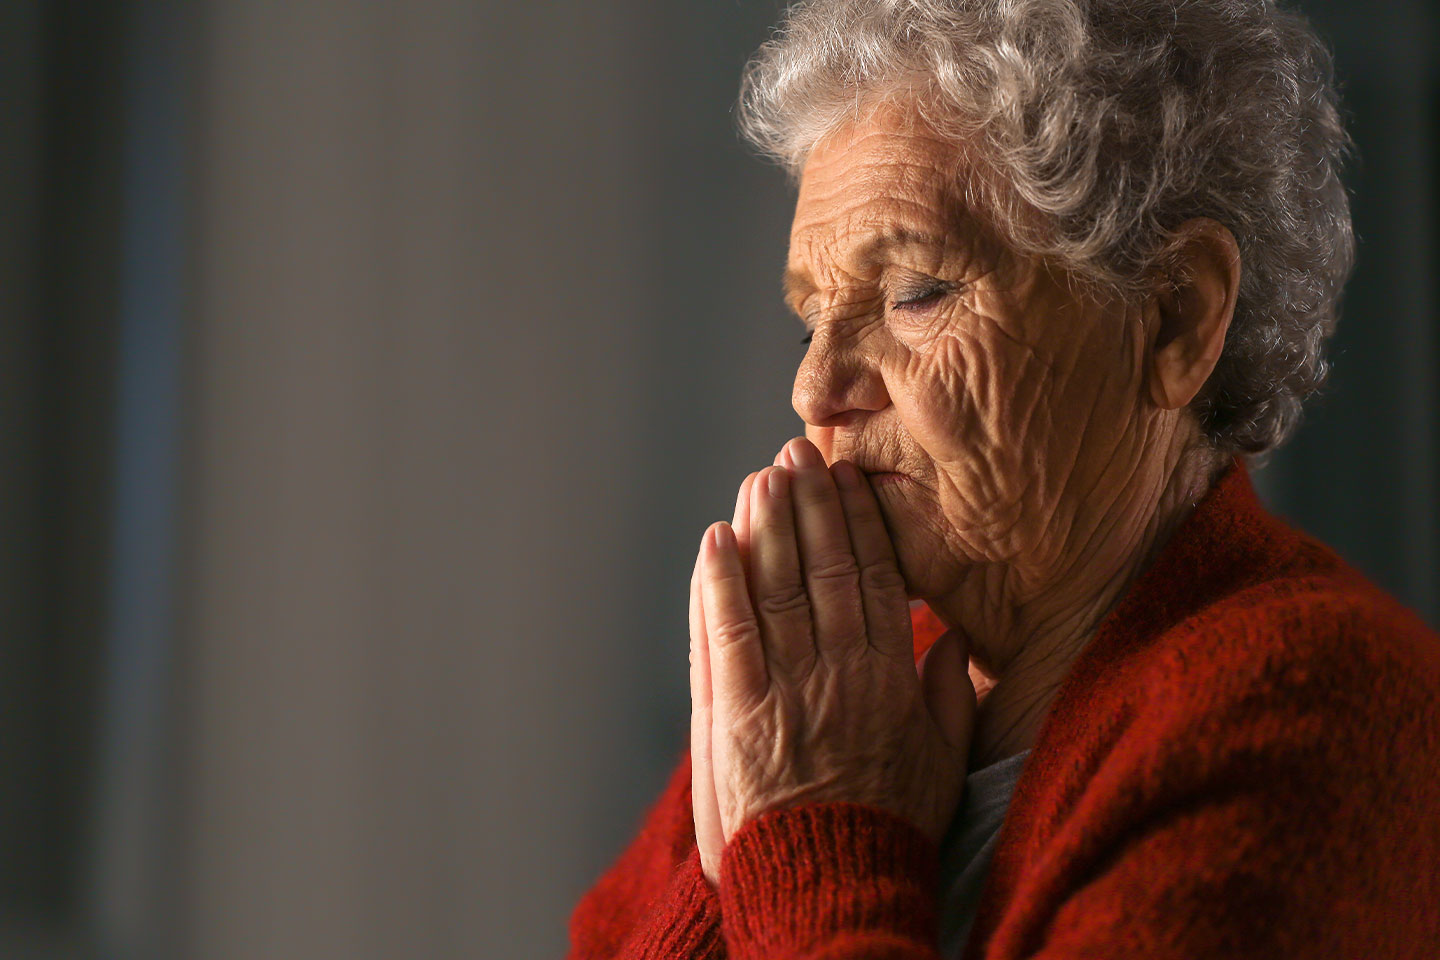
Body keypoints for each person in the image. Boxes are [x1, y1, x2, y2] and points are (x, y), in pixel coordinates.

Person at [568, 1, 1440, 957]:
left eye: (915, 294)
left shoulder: (1320, 713)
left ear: (1175, 317)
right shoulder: (836, 690)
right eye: (810, 319)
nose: (814, 387)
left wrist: (812, 838)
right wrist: (733, 852)